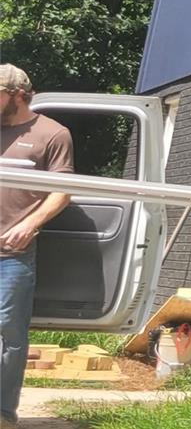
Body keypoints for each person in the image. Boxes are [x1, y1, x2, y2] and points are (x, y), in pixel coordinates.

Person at [0, 65, 71, 428]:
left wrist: (29, 223)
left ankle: (3, 414)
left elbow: (62, 192)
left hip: (11, 255)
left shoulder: (51, 134)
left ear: (16, 94)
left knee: (9, 334)